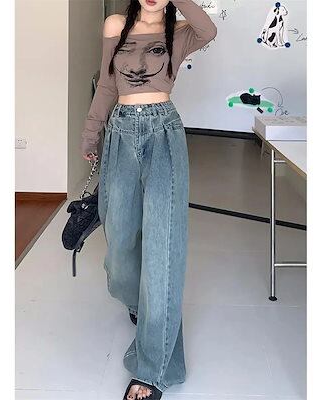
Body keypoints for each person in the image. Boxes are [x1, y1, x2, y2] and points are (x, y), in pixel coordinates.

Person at [81, 1, 217, 399]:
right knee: (120, 246)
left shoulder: (181, 31)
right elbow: (108, 84)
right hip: (121, 133)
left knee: (163, 248)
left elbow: (209, 30)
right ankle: (138, 301)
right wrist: (91, 132)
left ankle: (152, 369)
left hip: (163, 134)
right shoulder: (116, 25)